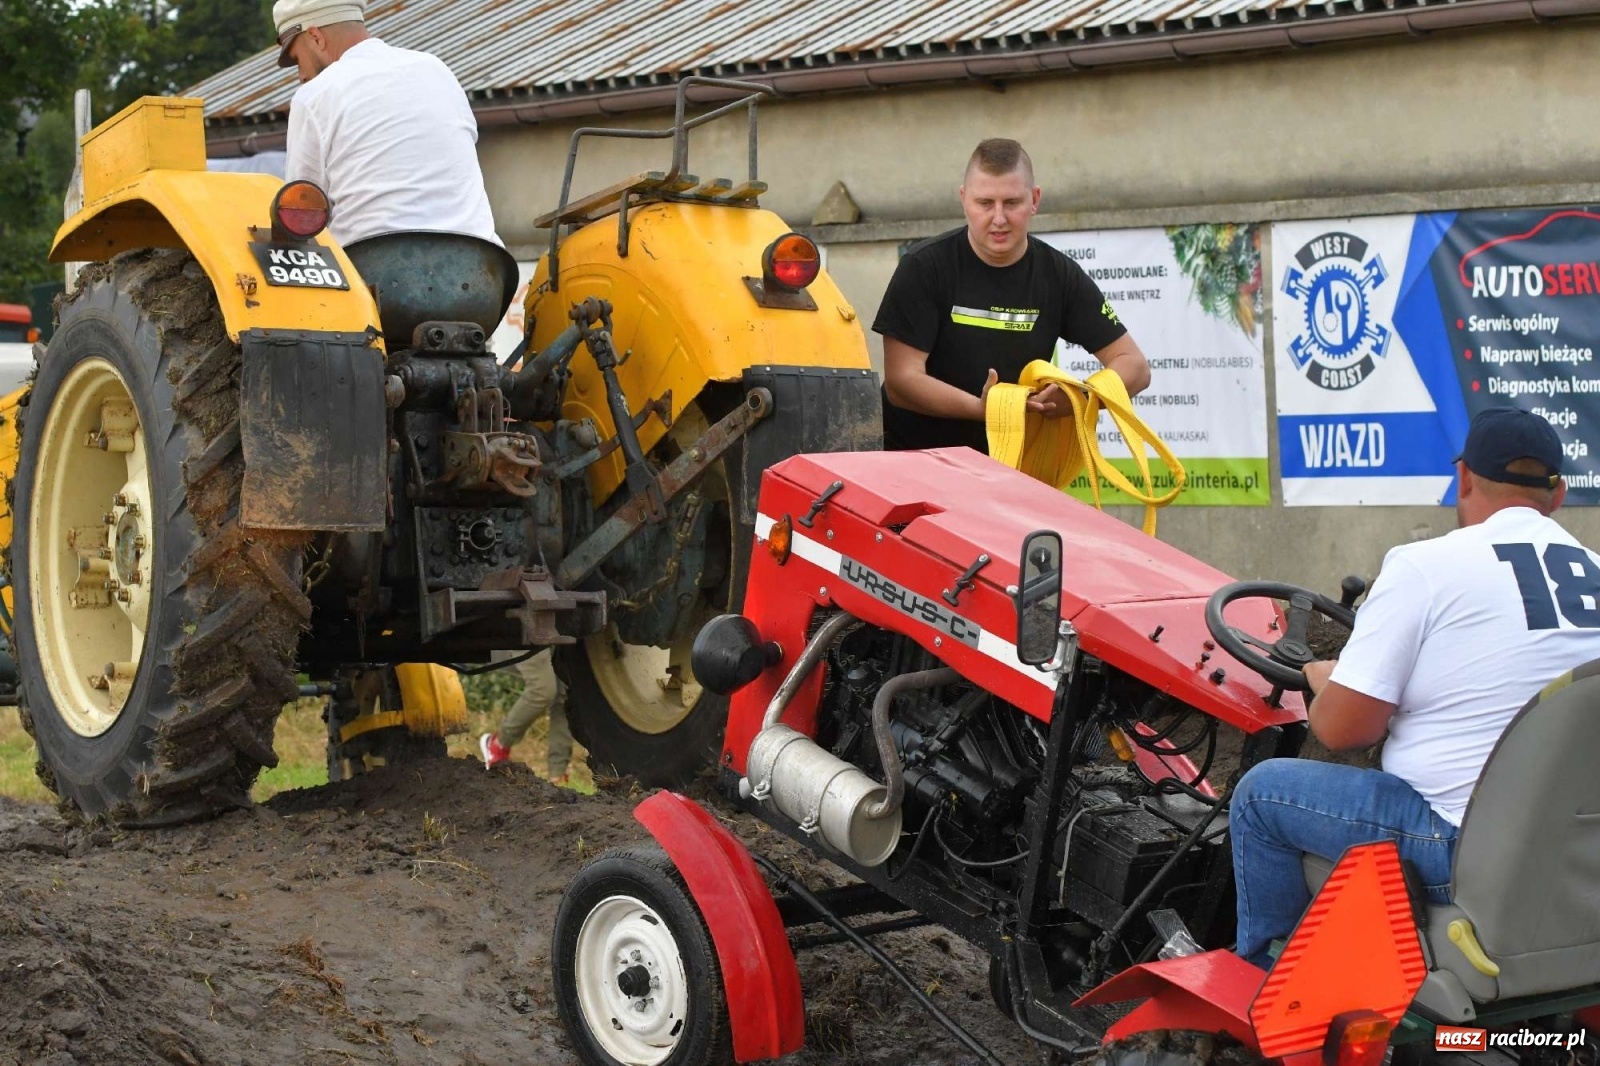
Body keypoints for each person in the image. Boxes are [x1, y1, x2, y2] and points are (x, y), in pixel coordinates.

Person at [1229, 407, 1600, 970]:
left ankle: (1266, 986)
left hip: (1460, 847)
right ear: (1559, 493)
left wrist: (1324, 678)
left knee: (1260, 796)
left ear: (1466, 478)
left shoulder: (1425, 567)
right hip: (1577, 852)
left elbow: (1340, 731)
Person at [872, 138, 1151, 454]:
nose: (999, 218)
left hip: (1008, 469)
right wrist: (986, 409)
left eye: (1012, 202)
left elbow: (1135, 368)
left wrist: (1080, 398)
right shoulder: (924, 267)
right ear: (964, 199)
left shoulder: (1059, 275)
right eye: (985, 203)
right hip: (913, 463)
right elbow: (901, 383)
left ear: (1035, 199)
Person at [272, 0, 500, 248]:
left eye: (297, 59)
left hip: (371, 270)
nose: (301, 75)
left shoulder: (315, 95)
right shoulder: (436, 69)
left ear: (316, 37)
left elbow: (304, 208)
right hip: (480, 260)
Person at [479, 649, 574, 784]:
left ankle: (557, 775)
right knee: (541, 690)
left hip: (557, 632)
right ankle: (497, 744)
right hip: (527, 630)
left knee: (563, 698)